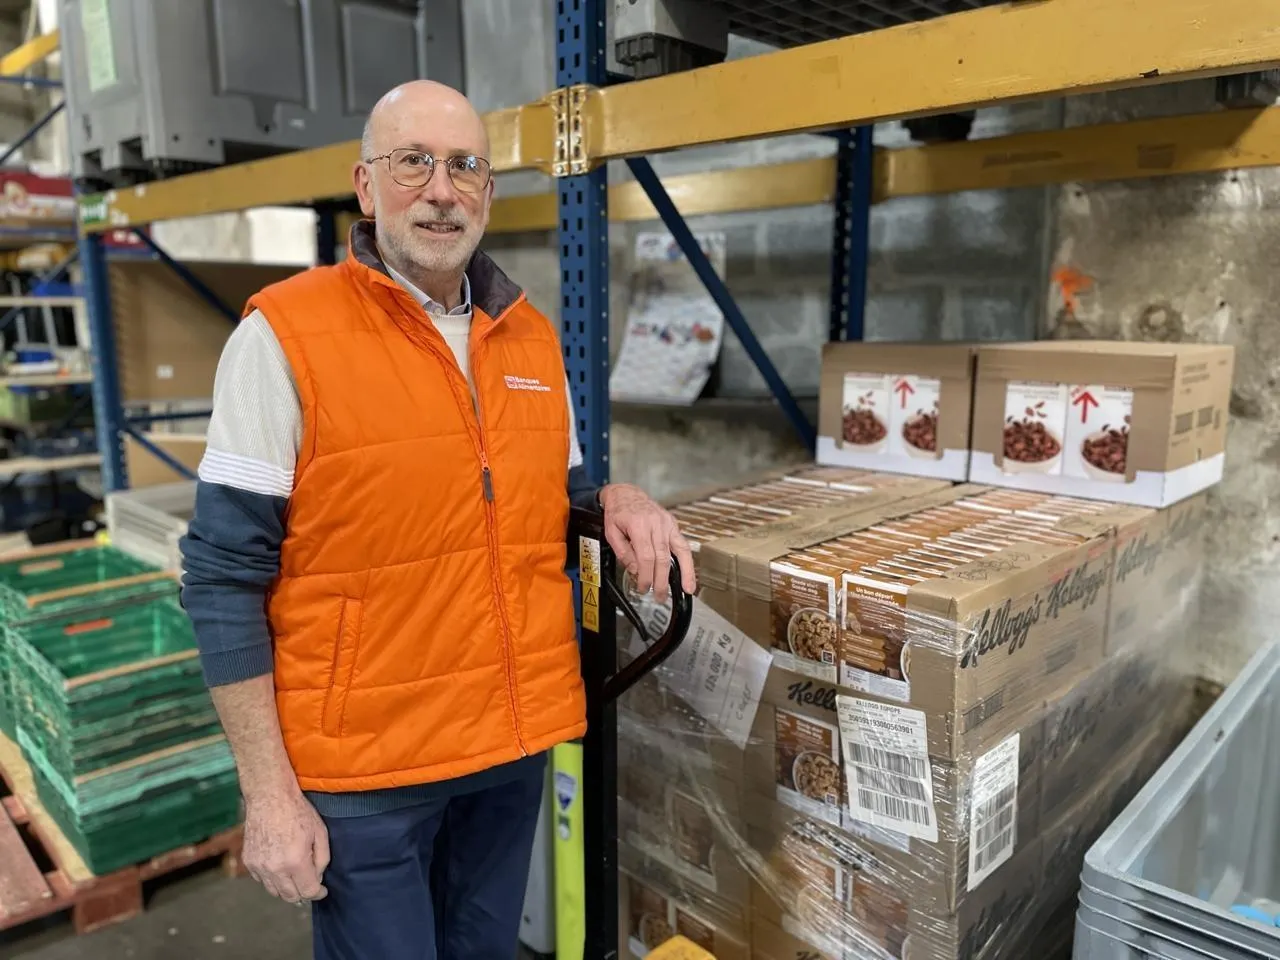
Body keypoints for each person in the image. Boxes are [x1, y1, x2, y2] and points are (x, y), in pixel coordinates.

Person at [178, 79, 696, 960]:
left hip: (507, 752)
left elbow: (555, 495)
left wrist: (618, 497)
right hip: (367, 774)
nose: (442, 191)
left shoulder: (529, 338)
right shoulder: (284, 338)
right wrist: (268, 795)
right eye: (412, 162)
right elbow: (222, 577)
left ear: (488, 191)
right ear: (365, 185)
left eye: (464, 166)